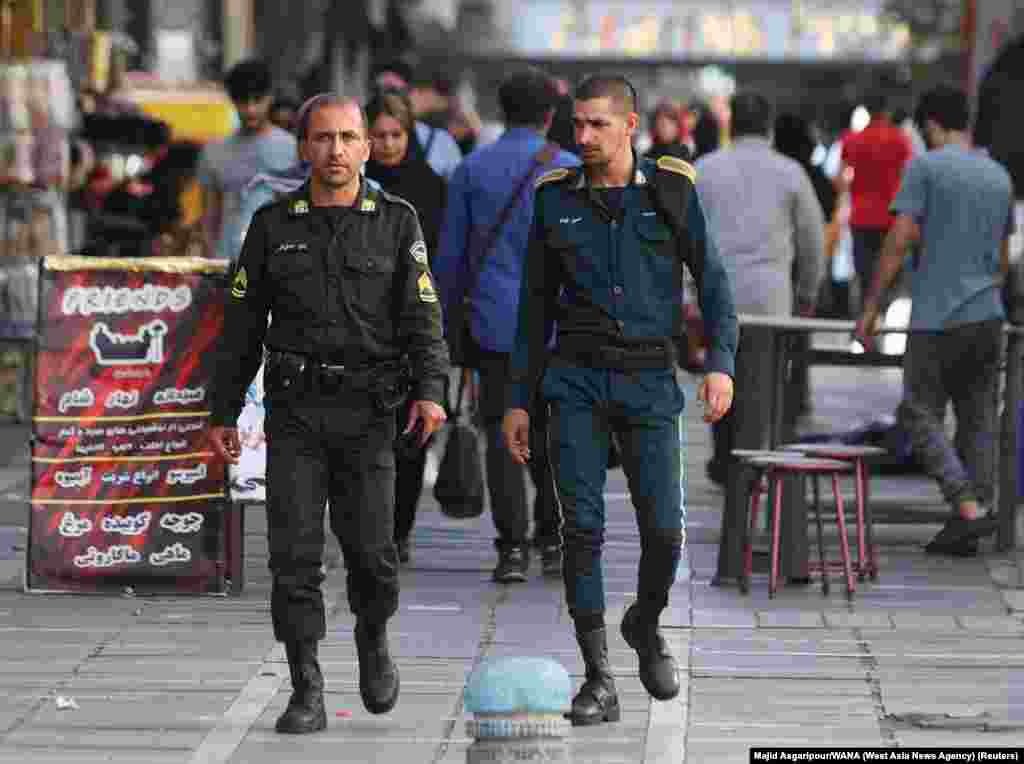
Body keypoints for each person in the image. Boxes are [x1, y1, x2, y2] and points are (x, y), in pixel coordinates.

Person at [208, 94, 449, 733]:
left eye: (348, 138)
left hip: (370, 413)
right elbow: (240, 327)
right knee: (293, 555)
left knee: (373, 553)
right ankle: (305, 684)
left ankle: (373, 636)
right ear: (303, 147)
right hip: (295, 414)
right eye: (322, 138)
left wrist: (432, 389)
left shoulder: (396, 221)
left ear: (367, 146)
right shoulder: (272, 225)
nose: (335, 151)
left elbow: (422, 315)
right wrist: (222, 410)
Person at [502, 75, 737, 725]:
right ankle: (598, 676)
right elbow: (533, 309)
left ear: (629, 125)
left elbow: (713, 282)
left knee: (665, 529)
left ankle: (644, 621)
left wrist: (721, 365)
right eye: (576, 126)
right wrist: (518, 400)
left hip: (647, 380)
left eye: (597, 126)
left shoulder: (669, 188)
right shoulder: (554, 199)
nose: (583, 138)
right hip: (573, 381)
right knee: (582, 530)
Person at [433, 68, 579, 583]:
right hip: (561, 330)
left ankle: (511, 547)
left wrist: (446, 329)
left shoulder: (473, 169)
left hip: (493, 325)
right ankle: (554, 540)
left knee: (502, 431)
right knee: (555, 432)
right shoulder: (569, 170)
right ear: (549, 115)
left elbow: (450, 260)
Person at [855, 85, 1012, 557]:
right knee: (978, 420)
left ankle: (965, 505)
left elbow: (900, 239)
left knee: (917, 412)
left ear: (931, 125)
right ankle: (972, 518)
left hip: (937, 317)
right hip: (987, 316)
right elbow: (1003, 258)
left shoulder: (925, 167)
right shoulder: (999, 176)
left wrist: (871, 306)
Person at [696, 92, 825, 486]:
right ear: (767, 126)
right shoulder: (791, 173)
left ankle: (724, 456)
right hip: (770, 301)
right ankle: (749, 467)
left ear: (731, 123)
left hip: (718, 298)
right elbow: (812, 239)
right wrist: (807, 291)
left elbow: (685, 236)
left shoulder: (704, 169)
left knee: (720, 377)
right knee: (762, 387)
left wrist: (686, 293)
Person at [364, 89, 448, 564]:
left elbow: (441, 262)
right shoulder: (349, 185)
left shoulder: (430, 186)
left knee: (412, 434)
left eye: (398, 134)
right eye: (380, 135)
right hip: (361, 326)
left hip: (413, 325)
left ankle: (399, 530)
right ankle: (373, 526)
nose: (390, 144)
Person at [197, 59, 297, 261]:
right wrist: (211, 265)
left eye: (257, 99)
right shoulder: (214, 151)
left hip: (274, 266)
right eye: (243, 101)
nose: (251, 109)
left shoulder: (292, 149)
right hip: (226, 264)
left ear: (270, 97)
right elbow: (209, 218)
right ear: (232, 101)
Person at [838, 92, 912, 317]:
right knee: (889, 277)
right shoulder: (900, 140)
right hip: (891, 219)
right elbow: (908, 177)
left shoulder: (852, 139)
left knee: (865, 277)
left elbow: (840, 178)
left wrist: (851, 193)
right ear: (887, 110)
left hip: (861, 219)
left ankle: (864, 329)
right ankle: (885, 324)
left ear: (867, 110)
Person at [371, 61, 464, 180]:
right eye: (376, 90)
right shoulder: (358, 139)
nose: (383, 97)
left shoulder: (440, 143)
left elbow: (459, 190)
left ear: (412, 93)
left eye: (392, 91)